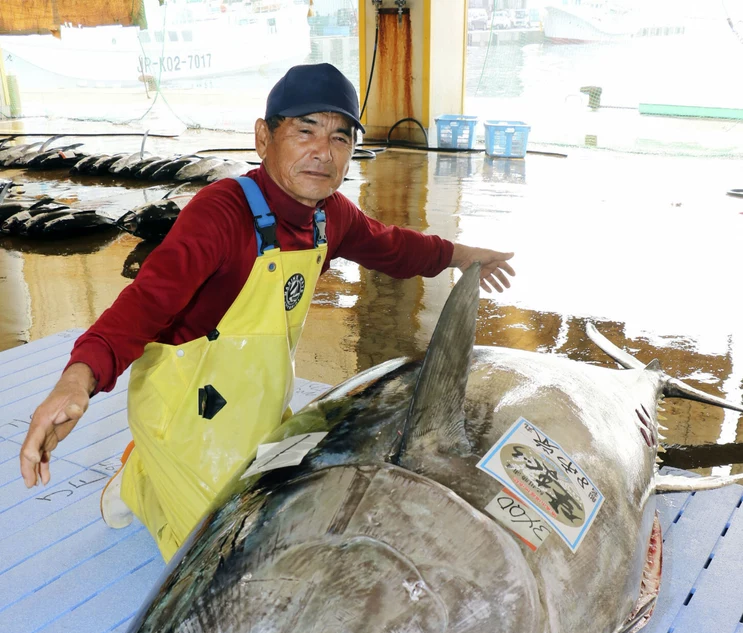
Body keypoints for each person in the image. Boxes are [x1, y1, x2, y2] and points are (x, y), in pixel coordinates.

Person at [19, 63, 516, 562]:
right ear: (264, 137)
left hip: (261, 402)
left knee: (305, 509)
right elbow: (142, 305)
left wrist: (459, 254)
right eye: (305, 131)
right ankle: (146, 475)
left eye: (340, 138)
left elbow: (393, 247)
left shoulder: (329, 215)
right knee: (227, 557)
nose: (323, 152)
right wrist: (76, 381)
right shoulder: (220, 213)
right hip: (185, 412)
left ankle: (145, 472)